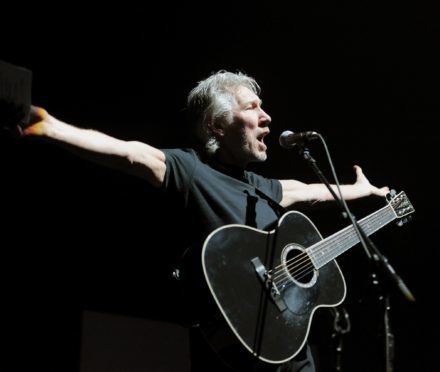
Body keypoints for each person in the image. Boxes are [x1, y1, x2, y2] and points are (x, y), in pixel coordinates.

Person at [5, 70, 388, 371]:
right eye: (252, 107)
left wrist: (362, 191)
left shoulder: (264, 186)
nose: (267, 117)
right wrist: (51, 127)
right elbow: (130, 154)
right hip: (231, 353)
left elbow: (311, 191)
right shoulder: (191, 171)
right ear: (218, 125)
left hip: (291, 350)